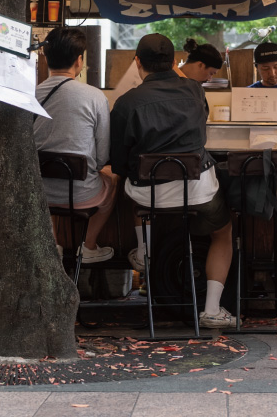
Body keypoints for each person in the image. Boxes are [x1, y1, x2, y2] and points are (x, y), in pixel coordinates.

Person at [110, 33, 236, 328]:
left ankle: (143, 252)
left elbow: (118, 161)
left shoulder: (127, 102)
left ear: (137, 62)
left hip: (147, 195)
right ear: (173, 61)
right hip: (197, 191)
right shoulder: (195, 91)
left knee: (128, 186)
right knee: (223, 232)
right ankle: (212, 310)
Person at [34, 27, 117, 263]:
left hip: (39, 193)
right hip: (82, 194)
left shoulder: (30, 94)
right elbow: (102, 157)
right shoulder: (95, 97)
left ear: (46, 58)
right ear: (79, 61)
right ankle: (89, 246)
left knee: (42, 177)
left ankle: (52, 244)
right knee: (112, 178)